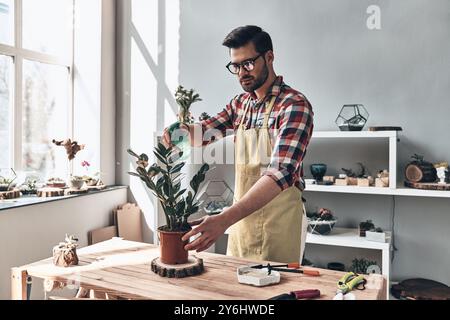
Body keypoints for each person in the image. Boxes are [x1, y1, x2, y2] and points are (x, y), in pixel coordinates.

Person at [163, 25, 314, 263]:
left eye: (249, 64)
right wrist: (182, 130)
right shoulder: (240, 104)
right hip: (241, 224)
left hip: (279, 226)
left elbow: (280, 173)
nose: (242, 72)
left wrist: (223, 220)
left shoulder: (294, 105)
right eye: (236, 66)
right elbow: (206, 133)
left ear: (269, 57)